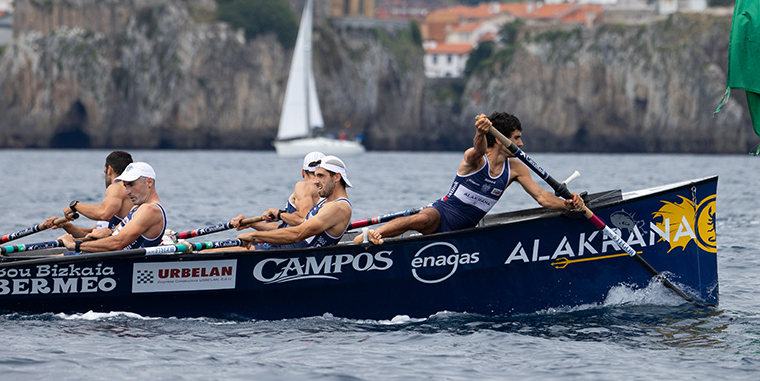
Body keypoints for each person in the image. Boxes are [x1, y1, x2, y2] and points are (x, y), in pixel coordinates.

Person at [357, 112, 582, 245]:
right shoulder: (475, 159)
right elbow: (478, 148)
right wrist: (481, 132)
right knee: (423, 218)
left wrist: (567, 204)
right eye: (516, 138)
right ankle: (373, 235)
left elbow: (542, 196)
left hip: (465, 229)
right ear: (500, 139)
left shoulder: (516, 169)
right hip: (442, 215)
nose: (521, 144)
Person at [235, 155, 353, 250]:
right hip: (283, 249)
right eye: (315, 176)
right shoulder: (326, 203)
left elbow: (298, 234)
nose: (316, 181)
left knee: (226, 251)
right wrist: (253, 225)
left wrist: (253, 236)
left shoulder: (339, 207)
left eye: (321, 176)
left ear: (337, 177)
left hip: (289, 256)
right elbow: (293, 229)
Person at [56, 161, 166, 253]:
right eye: (125, 185)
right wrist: (104, 233)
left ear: (149, 182)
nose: (127, 191)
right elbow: (114, 236)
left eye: (131, 185)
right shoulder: (136, 208)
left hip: (111, 264)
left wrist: (74, 245)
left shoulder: (151, 210)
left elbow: (117, 243)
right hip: (99, 258)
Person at [42, 150, 134, 238]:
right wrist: (65, 225)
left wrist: (75, 205)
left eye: (104, 172)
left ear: (109, 170)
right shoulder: (123, 196)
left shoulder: (116, 187)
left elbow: (104, 214)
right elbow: (90, 235)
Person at [232, 151, 323, 231]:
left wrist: (278, 213)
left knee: (240, 242)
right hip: (293, 238)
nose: (315, 181)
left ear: (302, 172)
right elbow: (285, 228)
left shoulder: (304, 186)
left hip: (293, 242)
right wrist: (251, 224)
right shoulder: (329, 196)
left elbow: (303, 221)